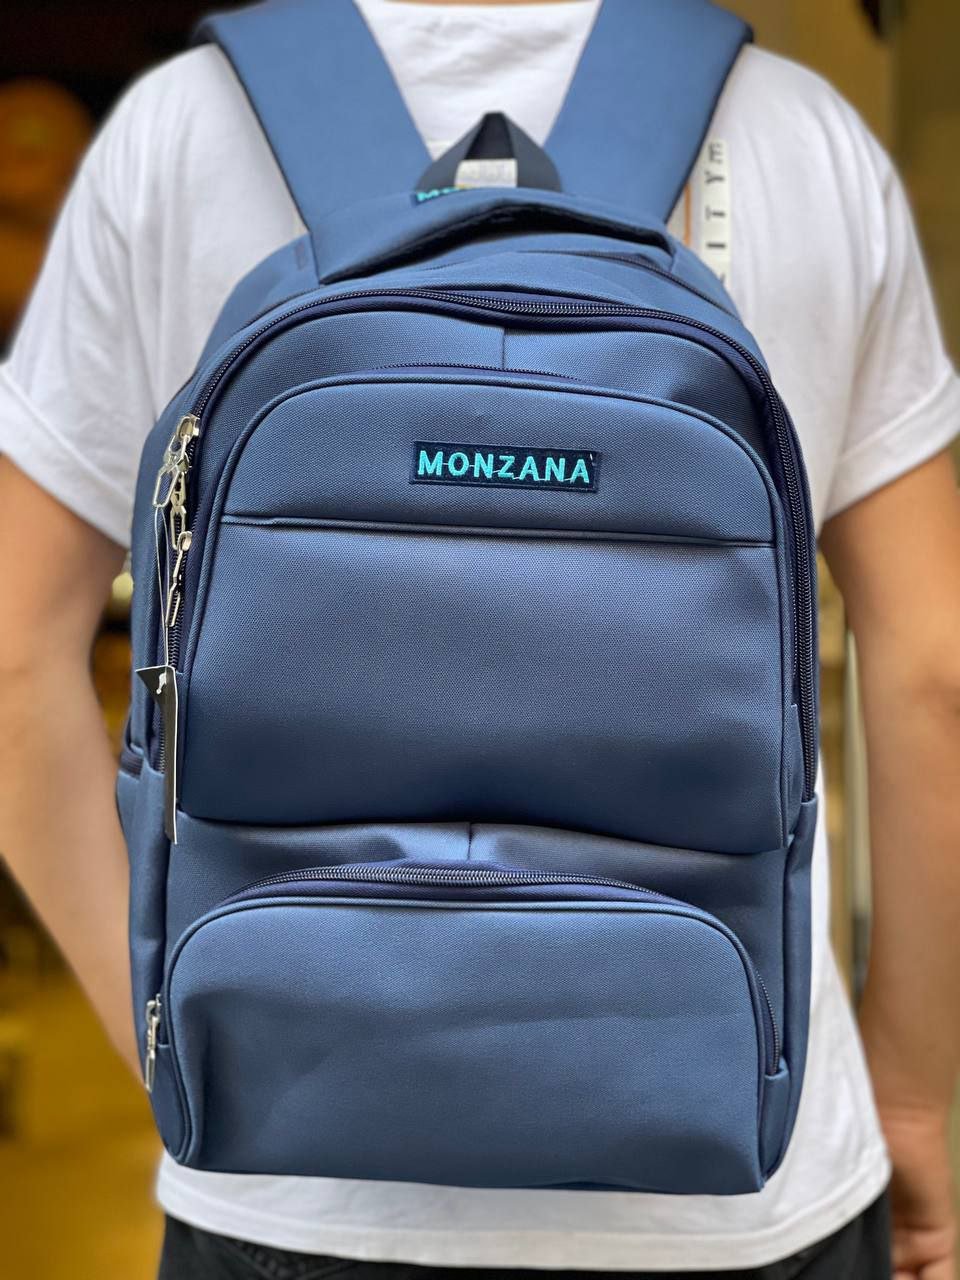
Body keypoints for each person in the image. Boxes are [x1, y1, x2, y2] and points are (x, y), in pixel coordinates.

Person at [1, 1, 958, 1277]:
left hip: (290, 1183)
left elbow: (14, 655)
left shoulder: (177, 129)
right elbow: (935, 673)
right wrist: (910, 1103)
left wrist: (188, 1040)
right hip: (738, 1160)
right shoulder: (805, 133)